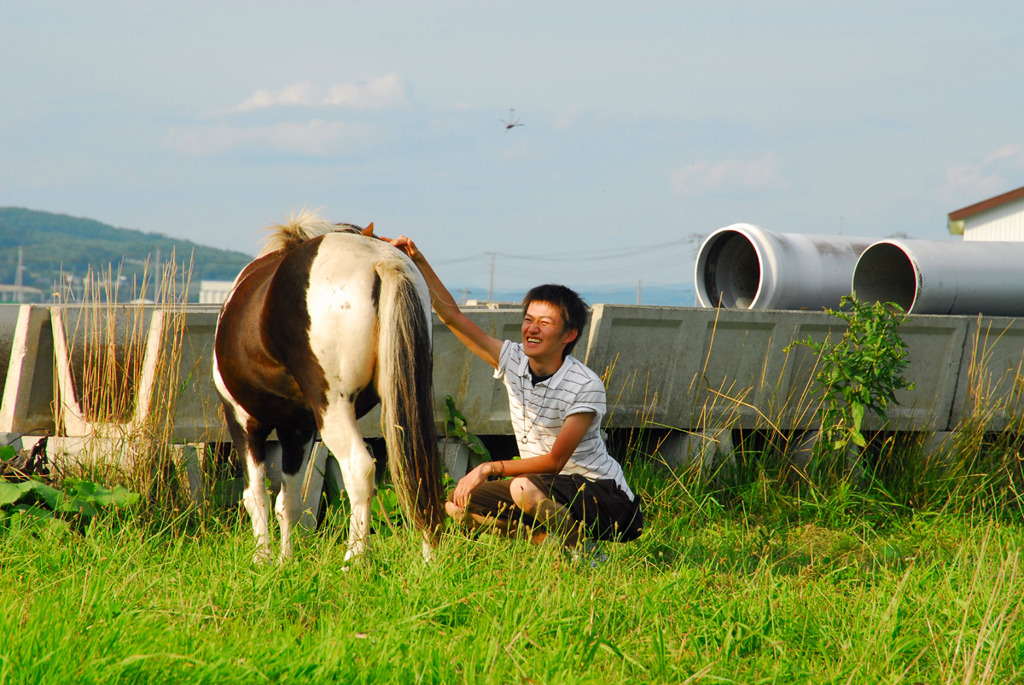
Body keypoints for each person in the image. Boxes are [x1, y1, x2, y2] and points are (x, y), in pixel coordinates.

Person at [386, 235, 643, 556]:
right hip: (544, 491)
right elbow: (454, 318)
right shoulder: (514, 361)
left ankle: (585, 554)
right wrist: (419, 262)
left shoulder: (584, 385)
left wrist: (487, 468)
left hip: (608, 499)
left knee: (523, 487)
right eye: (528, 320)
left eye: (545, 323)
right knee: (458, 505)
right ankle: (551, 544)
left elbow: (555, 461)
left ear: (569, 335)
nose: (532, 329)